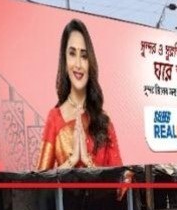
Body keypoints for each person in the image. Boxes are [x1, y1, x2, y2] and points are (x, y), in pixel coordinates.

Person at [37, 19, 121, 170]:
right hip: (65, 195)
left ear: (90, 63)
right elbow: (40, 183)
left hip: (101, 195)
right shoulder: (55, 118)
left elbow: (123, 183)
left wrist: (88, 163)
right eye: (72, 54)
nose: (78, 64)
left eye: (83, 56)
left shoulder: (103, 121)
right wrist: (72, 161)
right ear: (64, 60)